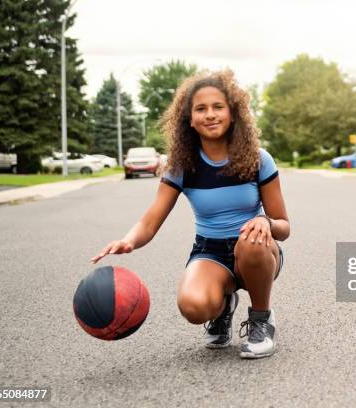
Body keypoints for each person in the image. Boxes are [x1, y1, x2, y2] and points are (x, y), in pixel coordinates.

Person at [91, 69, 290, 359]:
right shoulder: (182, 165)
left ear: (233, 114)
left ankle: (261, 319)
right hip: (210, 252)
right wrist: (128, 240)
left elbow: (284, 227)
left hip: (258, 251)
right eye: (201, 109)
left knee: (250, 239)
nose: (210, 114)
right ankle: (222, 307)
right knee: (193, 307)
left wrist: (265, 221)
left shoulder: (259, 159)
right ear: (189, 119)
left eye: (218, 107)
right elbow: (150, 221)